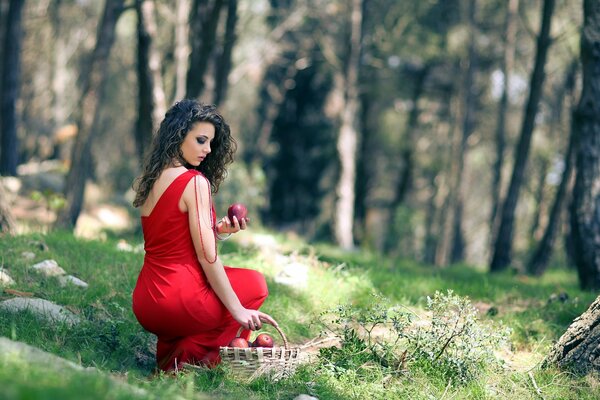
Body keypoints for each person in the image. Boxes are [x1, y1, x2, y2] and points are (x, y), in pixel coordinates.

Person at [131, 99, 277, 372]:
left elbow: (170, 235)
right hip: (177, 299)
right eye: (200, 140)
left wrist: (219, 231)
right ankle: (200, 359)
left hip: (146, 302)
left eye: (210, 143)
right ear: (178, 135)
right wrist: (238, 311)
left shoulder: (154, 179)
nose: (208, 150)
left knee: (236, 285)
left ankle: (177, 357)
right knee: (255, 284)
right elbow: (208, 258)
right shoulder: (195, 182)